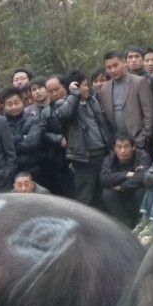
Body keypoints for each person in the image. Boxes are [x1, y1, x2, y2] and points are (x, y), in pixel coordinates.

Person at [57, 72, 114, 207]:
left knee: (103, 195)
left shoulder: (93, 102)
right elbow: (65, 114)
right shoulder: (64, 103)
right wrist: (74, 94)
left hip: (103, 155)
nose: (88, 88)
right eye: (83, 86)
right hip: (84, 159)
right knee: (85, 197)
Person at [100, 50, 153, 150]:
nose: (113, 70)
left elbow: (149, 112)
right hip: (119, 145)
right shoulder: (105, 88)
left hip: (139, 141)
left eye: (115, 65)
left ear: (124, 63)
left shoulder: (139, 82)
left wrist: (145, 137)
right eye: (109, 67)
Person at [100, 134, 152, 228]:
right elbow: (104, 178)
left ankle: (142, 222)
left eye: (126, 146)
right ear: (114, 148)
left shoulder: (142, 156)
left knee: (142, 190)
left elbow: (144, 176)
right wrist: (126, 174)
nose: (122, 151)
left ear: (133, 147)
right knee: (107, 193)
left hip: (135, 192)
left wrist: (123, 187)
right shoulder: (109, 159)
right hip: (119, 196)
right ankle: (124, 224)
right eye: (119, 147)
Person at [1, 86, 42, 180]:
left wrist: (10, 143)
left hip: (33, 169)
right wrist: (21, 137)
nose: (14, 107)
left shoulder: (33, 119)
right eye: (9, 104)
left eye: (16, 103)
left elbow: (32, 142)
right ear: (3, 106)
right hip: (9, 170)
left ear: (22, 102)